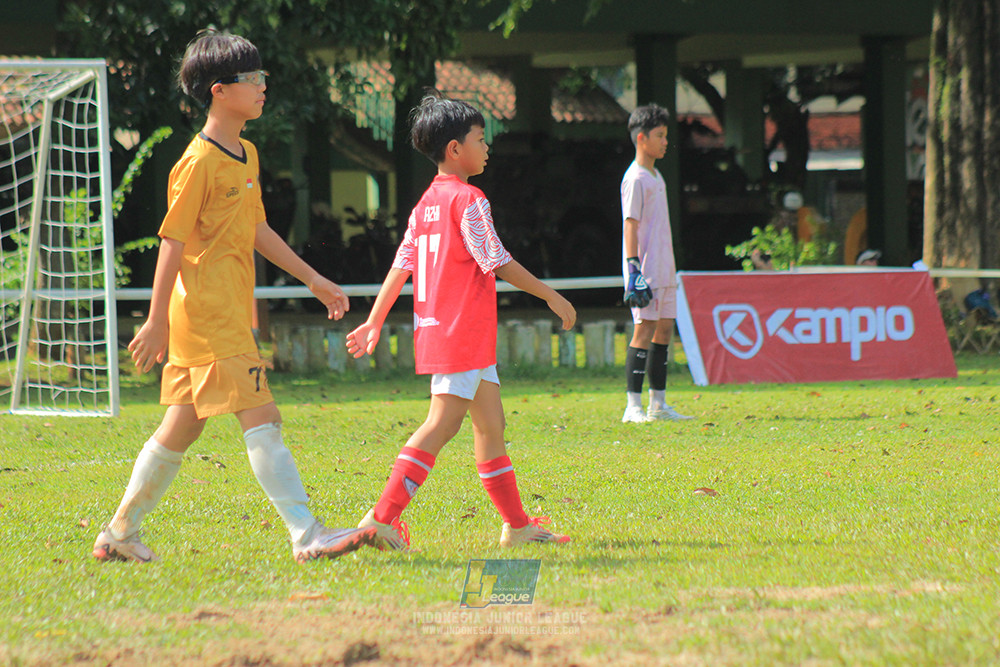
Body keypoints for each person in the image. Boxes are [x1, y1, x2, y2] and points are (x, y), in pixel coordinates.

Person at [92, 29, 376, 564]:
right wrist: (156, 320)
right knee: (263, 416)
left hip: (218, 313)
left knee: (182, 425)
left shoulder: (246, 153)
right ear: (219, 90)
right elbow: (172, 242)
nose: (264, 86)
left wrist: (313, 279)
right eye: (253, 78)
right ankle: (306, 533)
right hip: (208, 315)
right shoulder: (197, 161)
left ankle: (119, 534)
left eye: (263, 76)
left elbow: (257, 229)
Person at [345, 90, 577, 551]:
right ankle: (381, 519)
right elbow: (497, 260)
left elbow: (402, 265)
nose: (487, 147)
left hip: (449, 332)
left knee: (491, 427)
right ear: (455, 149)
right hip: (461, 333)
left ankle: (517, 526)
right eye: (480, 139)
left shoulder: (426, 205)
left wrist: (374, 321)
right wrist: (551, 295)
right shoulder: (468, 199)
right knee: (441, 425)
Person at [620, 103, 693, 424]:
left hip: (664, 267)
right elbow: (630, 224)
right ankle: (632, 407)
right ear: (642, 138)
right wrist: (633, 268)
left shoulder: (656, 174)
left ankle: (658, 405)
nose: (665, 142)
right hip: (645, 270)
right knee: (644, 330)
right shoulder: (635, 178)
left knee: (664, 330)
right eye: (660, 136)